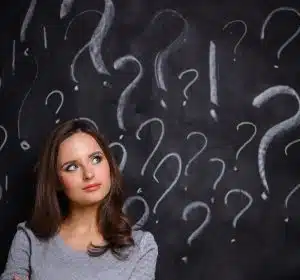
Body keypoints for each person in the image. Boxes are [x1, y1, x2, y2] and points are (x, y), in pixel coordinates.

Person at [0, 119, 158, 280]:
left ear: (109, 165)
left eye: (96, 159)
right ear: (56, 181)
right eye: (72, 167)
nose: (89, 174)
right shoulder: (28, 239)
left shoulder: (141, 246)